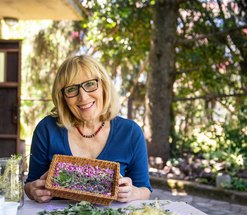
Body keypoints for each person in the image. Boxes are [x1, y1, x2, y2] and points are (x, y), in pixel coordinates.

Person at [24, 55, 152, 203]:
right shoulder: (46, 130)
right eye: (72, 89)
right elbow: (31, 184)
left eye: (90, 84)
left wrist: (133, 193)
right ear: (63, 97)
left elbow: (145, 190)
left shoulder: (130, 133)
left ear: (104, 86)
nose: (83, 97)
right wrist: (33, 190)